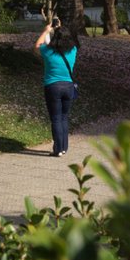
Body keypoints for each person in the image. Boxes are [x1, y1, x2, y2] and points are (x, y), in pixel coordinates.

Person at [35, 17, 78, 157]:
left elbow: (37, 45)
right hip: (69, 87)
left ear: (55, 38)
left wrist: (47, 30)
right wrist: (60, 27)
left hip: (52, 87)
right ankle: (64, 147)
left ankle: (57, 149)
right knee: (64, 117)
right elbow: (71, 39)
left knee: (56, 118)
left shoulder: (48, 52)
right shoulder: (73, 50)